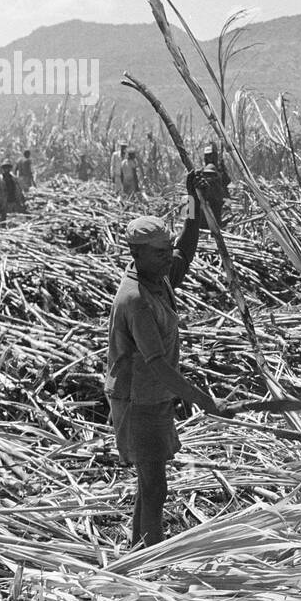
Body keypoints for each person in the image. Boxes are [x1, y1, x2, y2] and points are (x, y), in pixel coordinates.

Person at [104, 187, 226, 547]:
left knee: (150, 480)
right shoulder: (137, 300)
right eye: (159, 253)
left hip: (152, 396)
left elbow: (184, 251)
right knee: (156, 486)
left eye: (166, 250)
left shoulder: (157, 278)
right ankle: (153, 559)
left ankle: (139, 548)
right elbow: (156, 363)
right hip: (136, 400)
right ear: (136, 254)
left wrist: (195, 203)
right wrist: (203, 399)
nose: (167, 258)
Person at [197, 144, 232, 226]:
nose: (209, 158)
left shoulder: (220, 171)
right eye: (207, 156)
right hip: (204, 206)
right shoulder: (199, 173)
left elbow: (227, 183)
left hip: (218, 204)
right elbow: (192, 197)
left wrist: (222, 169)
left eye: (211, 156)